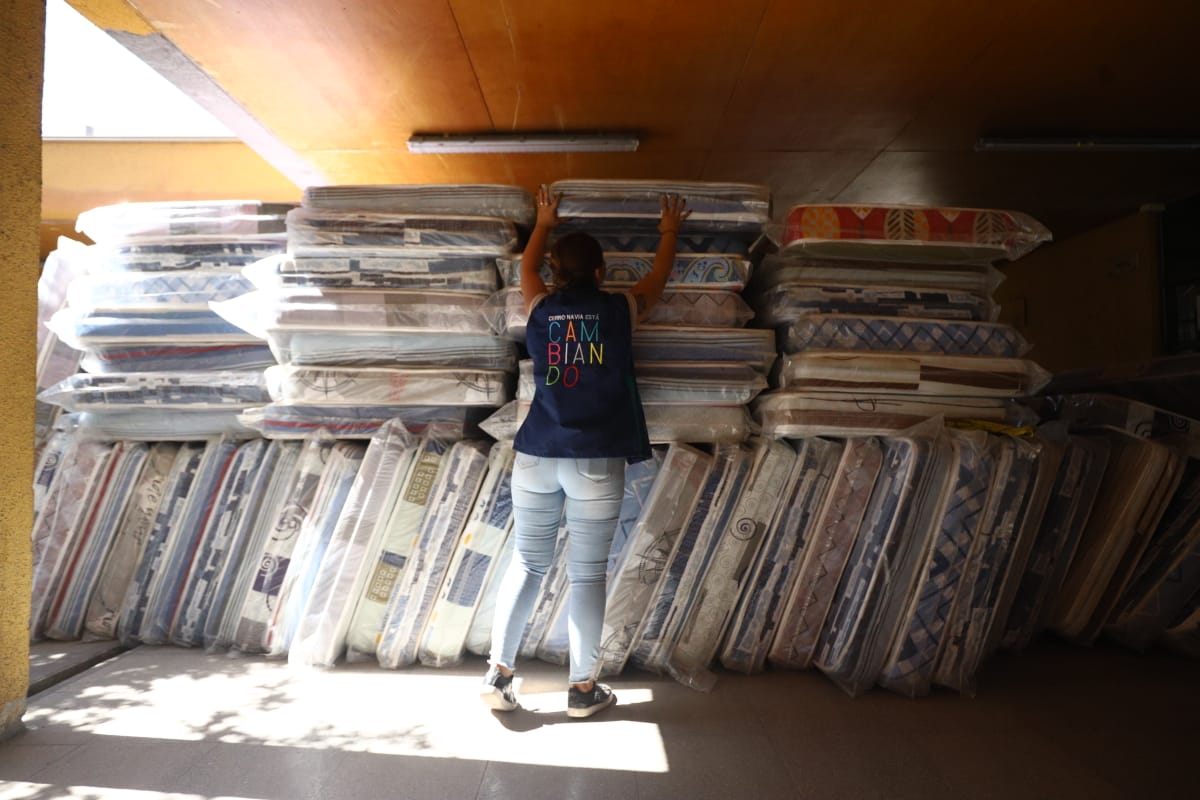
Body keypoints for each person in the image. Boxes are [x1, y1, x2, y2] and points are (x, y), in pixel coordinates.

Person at [481, 185, 690, 718]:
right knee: (588, 574)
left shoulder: (540, 307)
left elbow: (526, 269)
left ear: (555, 272)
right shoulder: (620, 309)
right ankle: (581, 690)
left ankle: (499, 676)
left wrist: (543, 221)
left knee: (527, 563)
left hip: (536, 455)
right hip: (595, 460)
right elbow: (659, 278)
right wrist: (669, 231)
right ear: (601, 272)